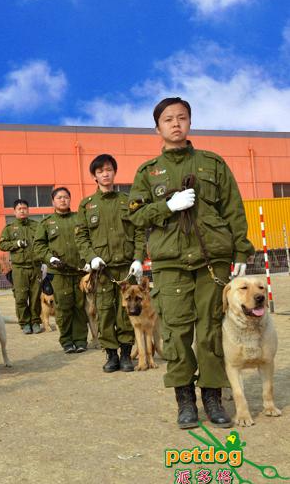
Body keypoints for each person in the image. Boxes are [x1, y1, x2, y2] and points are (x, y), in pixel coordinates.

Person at [128, 97, 254, 429]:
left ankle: (212, 396)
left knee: (212, 331)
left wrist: (241, 252)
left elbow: (234, 209)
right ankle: (184, 399)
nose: (175, 123)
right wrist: (167, 206)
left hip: (212, 261)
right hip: (170, 263)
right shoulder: (147, 173)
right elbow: (136, 217)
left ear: (189, 123)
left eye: (181, 118)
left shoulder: (213, 164)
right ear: (157, 128)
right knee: (175, 333)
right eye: (168, 119)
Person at [75, 154, 146, 372]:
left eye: (109, 170)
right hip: (103, 270)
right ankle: (111, 355)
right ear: (94, 176)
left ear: (114, 172)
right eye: (100, 171)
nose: (105, 174)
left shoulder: (127, 201)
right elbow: (81, 236)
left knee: (126, 311)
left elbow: (140, 231)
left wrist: (138, 258)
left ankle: (126, 354)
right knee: (105, 312)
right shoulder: (87, 205)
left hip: (126, 268)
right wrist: (91, 257)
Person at [34, 187, 89, 353]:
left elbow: (88, 239)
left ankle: (80, 340)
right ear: (53, 201)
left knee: (79, 307)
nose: (63, 200)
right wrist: (49, 258)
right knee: (63, 307)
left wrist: (88, 260)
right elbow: (38, 245)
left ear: (70, 199)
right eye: (59, 197)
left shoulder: (79, 219)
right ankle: (66, 341)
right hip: (59, 273)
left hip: (79, 271)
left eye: (66, 197)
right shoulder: (46, 223)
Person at [0, 199, 43, 335]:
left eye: (25, 208)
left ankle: (35, 322)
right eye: (19, 209)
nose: (22, 210)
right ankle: (25, 323)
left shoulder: (37, 226)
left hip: (35, 266)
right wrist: (16, 243)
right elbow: (2, 245)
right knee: (21, 297)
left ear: (28, 210)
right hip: (19, 268)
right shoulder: (9, 228)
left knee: (35, 296)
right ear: (14, 211)